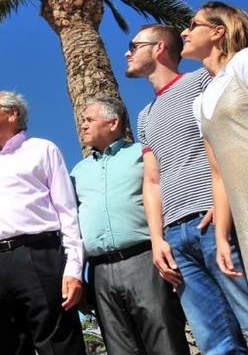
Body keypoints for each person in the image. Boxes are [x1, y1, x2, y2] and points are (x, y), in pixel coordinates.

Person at [126, 23, 248, 354]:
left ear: (159, 48)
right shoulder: (145, 115)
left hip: (217, 224)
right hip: (176, 238)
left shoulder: (201, 82)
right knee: (214, 341)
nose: (127, 52)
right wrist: (157, 239)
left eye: (134, 45)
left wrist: (226, 204)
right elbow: (152, 180)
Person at [71, 96, 189, 355]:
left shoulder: (141, 155)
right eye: (82, 121)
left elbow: (162, 196)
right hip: (99, 271)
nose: (83, 125)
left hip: (144, 261)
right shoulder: (77, 171)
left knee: (165, 340)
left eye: (89, 120)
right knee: (119, 350)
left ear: (113, 123)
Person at [0, 90, 86, 355]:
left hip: (40, 256)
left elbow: (67, 211)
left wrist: (74, 269)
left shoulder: (43, 149)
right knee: (8, 345)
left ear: (13, 114)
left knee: (59, 345)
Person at [181, 2, 248, 278]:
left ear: (217, 31)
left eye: (193, 25)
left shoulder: (243, 63)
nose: (184, 32)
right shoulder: (201, 102)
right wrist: (221, 236)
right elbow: (218, 173)